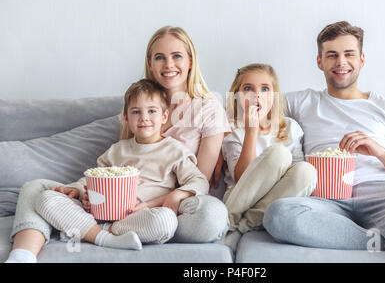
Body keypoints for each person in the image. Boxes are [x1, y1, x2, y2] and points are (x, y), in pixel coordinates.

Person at [6, 26, 230, 263]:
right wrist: (81, 190)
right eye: (160, 57)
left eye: (177, 56)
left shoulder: (208, 109)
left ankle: (87, 228)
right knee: (36, 189)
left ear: (191, 61)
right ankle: (23, 256)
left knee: (211, 215)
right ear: (150, 63)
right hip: (117, 203)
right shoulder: (135, 104)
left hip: (171, 208)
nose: (168, 65)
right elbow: (117, 169)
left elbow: (198, 180)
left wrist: (159, 202)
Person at [262, 21, 385, 263]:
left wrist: (380, 152)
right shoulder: (303, 102)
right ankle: (381, 241)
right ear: (319, 62)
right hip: (326, 198)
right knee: (278, 215)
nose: (341, 62)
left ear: (361, 60)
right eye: (332, 55)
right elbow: (249, 103)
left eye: (349, 54)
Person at [33, 79, 210, 250]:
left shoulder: (175, 151)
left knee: (166, 221)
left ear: (164, 116)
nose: (144, 118)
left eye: (151, 111)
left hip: (141, 217)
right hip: (100, 214)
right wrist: (78, 191)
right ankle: (105, 237)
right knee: (45, 198)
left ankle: (98, 233)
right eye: (136, 112)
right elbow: (93, 179)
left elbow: (200, 181)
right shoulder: (117, 150)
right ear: (126, 117)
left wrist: (176, 194)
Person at [221, 63, 317, 237]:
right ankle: (229, 219)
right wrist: (251, 131)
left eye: (265, 89)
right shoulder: (233, 129)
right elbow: (241, 178)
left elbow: (296, 177)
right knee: (278, 154)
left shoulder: (290, 127)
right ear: (237, 96)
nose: (257, 95)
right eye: (248, 88)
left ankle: (243, 226)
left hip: (274, 200)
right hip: (239, 199)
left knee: (307, 171)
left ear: (274, 96)